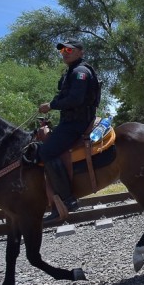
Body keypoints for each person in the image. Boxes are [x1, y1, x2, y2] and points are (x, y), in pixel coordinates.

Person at [37, 39, 100, 221]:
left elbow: (75, 99)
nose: (65, 52)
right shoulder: (71, 71)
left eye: (69, 50)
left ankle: (68, 199)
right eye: (62, 50)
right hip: (71, 120)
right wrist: (52, 104)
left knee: (46, 152)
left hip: (77, 122)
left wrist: (51, 105)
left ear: (80, 52)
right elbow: (65, 96)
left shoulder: (80, 72)